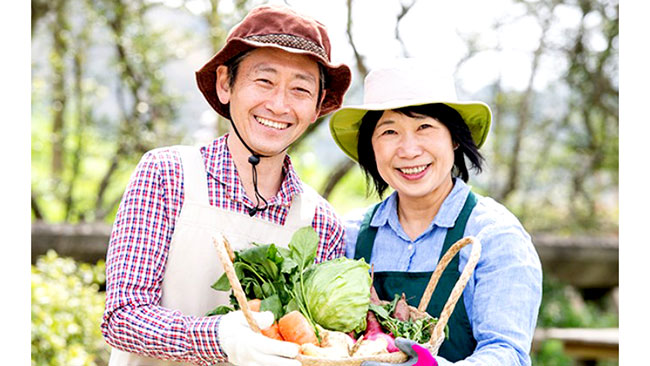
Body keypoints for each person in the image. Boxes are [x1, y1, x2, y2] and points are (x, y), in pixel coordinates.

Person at [101, 5, 352, 366]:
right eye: (264, 81)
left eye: (300, 89)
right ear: (225, 84)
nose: (279, 104)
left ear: (316, 107)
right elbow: (122, 316)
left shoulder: (322, 223)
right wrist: (218, 337)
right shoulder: (167, 174)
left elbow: (318, 343)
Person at [329, 59, 542, 365]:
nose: (409, 150)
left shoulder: (494, 235)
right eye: (389, 132)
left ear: (454, 137)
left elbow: (507, 353)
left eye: (424, 127)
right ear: (371, 147)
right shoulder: (348, 237)